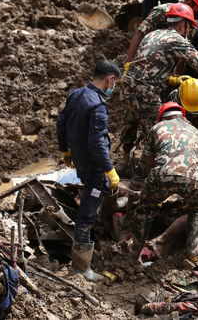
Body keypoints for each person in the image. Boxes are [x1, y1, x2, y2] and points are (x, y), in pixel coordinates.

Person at [122, 3, 198, 177]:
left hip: (128, 87)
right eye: (189, 28)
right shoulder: (178, 40)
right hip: (146, 93)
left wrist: (168, 78)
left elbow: (148, 64)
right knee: (157, 136)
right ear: (183, 25)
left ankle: (126, 164)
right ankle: (142, 181)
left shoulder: (153, 34)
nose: (190, 32)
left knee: (131, 125)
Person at [56, 61, 122, 282]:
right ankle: (81, 268)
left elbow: (61, 123)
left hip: (81, 162)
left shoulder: (75, 95)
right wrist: (109, 170)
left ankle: (88, 256)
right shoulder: (98, 106)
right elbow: (97, 144)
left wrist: (65, 150)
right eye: (115, 84)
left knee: (90, 208)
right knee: (86, 216)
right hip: (94, 168)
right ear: (110, 79)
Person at [128, 102, 198, 261]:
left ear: (161, 118)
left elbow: (149, 165)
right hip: (193, 180)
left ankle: (135, 250)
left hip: (161, 176)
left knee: (144, 208)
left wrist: (153, 193)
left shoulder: (156, 129)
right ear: (183, 117)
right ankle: (193, 251)